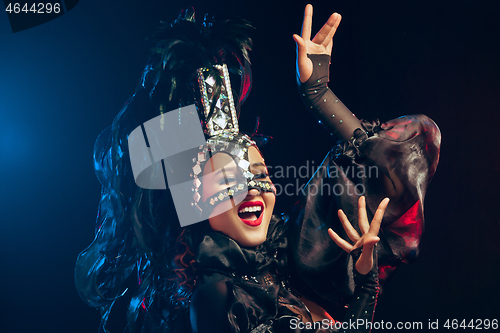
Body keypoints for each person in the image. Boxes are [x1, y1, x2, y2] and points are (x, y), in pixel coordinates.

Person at [75, 4, 440, 333]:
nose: (252, 189)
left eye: (260, 175)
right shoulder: (216, 298)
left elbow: (397, 162)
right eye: (228, 179)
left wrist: (319, 96)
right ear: (193, 201)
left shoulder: (289, 254)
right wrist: (365, 288)